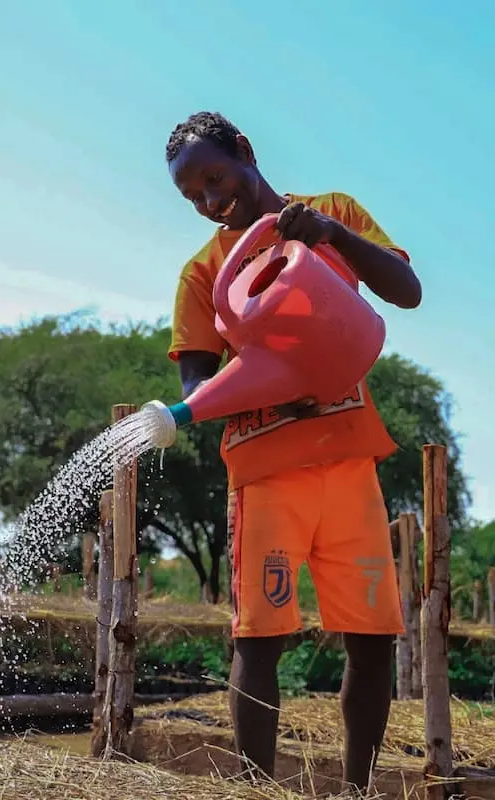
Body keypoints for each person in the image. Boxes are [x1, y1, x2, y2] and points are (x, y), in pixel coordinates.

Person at [165, 112, 421, 793]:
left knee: (372, 638)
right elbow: (195, 383)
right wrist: (272, 388)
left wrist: (331, 236)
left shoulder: (333, 213)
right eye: (192, 196)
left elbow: (406, 292)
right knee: (261, 636)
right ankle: (255, 787)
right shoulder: (204, 272)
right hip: (267, 473)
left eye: (214, 178)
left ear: (245, 152)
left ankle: (359, 789)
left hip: (349, 464)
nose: (209, 202)